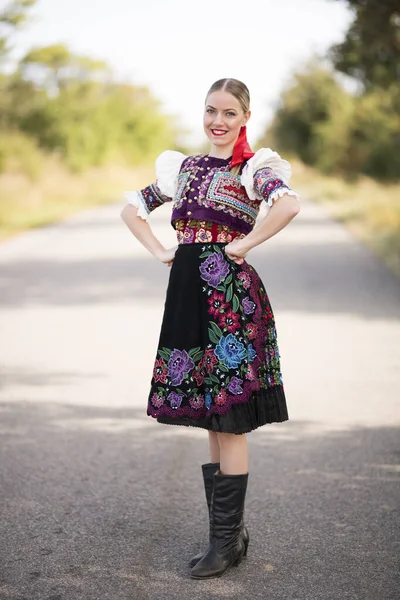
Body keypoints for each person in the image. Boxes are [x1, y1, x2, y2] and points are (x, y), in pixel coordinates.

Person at [120, 78, 300, 580]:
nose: (217, 121)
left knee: (229, 418)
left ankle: (224, 543)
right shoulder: (186, 168)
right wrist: (160, 251)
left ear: (245, 117)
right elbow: (132, 209)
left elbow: (288, 204)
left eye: (228, 112)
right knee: (208, 414)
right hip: (186, 295)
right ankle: (229, 536)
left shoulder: (253, 169)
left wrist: (243, 247)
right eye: (210, 111)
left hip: (230, 301)